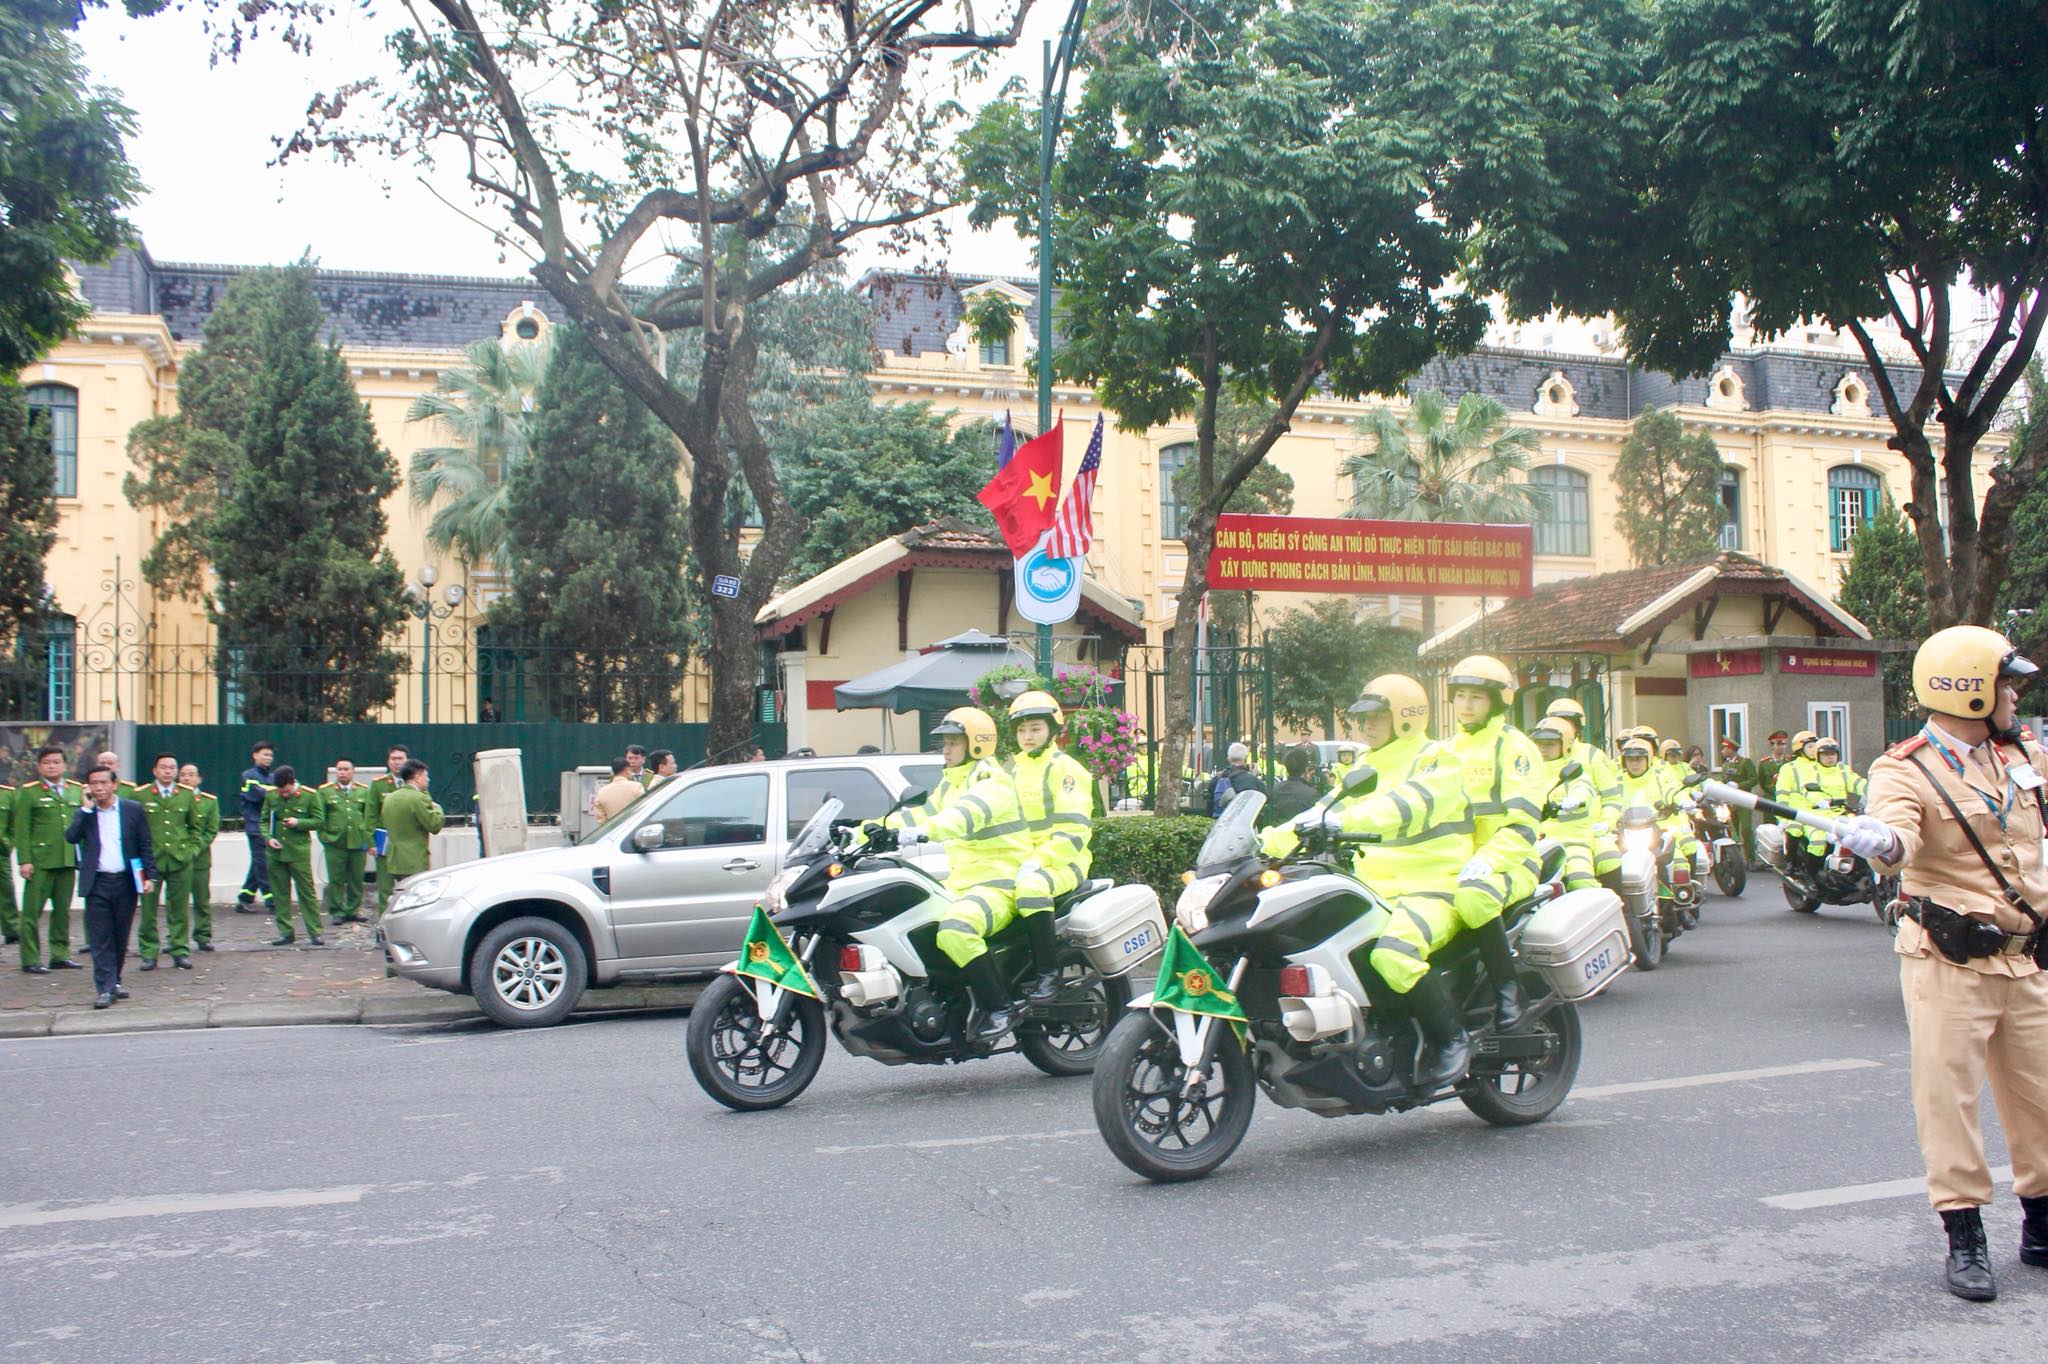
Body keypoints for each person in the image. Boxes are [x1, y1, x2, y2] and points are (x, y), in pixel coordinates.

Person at [1831, 625, 2048, 1302]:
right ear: (1970, 690)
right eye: (2005, 683)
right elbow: (1896, 833)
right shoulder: (1905, 767)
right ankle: (1965, 1236)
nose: (2015, 694)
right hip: (1949, 959)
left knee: (2041, 1098)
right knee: (1949, 1101)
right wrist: (1880, 840)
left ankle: (2040, 1222)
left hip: (2027, 957)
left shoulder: (2021, 750)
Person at [1442, 655, 1545, 1030]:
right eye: (1461, 696)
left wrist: (1490, 858)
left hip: (1508, 863)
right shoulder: (1444, 749)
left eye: (1476, 697)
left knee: (1473, 895)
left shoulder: (1514, 748)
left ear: (1497, 701)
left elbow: (1524, 823)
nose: (1466, 705)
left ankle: (1508, 988)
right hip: (1451, 861)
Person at [1003, 690, 1097, 1008]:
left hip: (1061, 862)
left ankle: (1048, 974)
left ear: (1052, 731)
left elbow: (1073, 831)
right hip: (1017, 862)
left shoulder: (1066, 769)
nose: (1027, 736)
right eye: (1022, 730)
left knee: (1030, 890)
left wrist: (1037, 860)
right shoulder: (1009, 770)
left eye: (1035, 729)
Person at [64, 766, 153, 1010]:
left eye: (103, 782)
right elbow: (71, 837)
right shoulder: (86, 814)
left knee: (120, 936)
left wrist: (149, 877)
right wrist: (84, 809)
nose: (99, 788)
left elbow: (145, 844)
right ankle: (104, 988)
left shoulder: (132, 810)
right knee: (100, 937)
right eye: (93, 783)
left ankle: (115, 981)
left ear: (115, 784)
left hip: (125, 881)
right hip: (97, 883)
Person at [12, 746, 84, 975]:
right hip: (40, 860)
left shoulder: (74, 790)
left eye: (56, 762)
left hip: (66, 858)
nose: (52, 766)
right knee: (32, 912)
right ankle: (30, 958)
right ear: (39, 766)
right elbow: (22, 829)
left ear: (64, 765)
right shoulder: (29, 792)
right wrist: (24, 860)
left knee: (62, 911)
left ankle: (60, 954)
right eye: (47, 763)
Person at [128, 753, 200, 971]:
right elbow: (132, 829)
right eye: (164, 767)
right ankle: (149, 952)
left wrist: (191, 850)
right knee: (148, 910)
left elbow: (195, 827)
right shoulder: (140, 795)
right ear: (155, 771)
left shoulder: (186, 795)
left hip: (179, 860)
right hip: (148, 862)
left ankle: (179, 950)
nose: (168, 771)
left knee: (178, 908)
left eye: (172, 768)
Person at [1531, 717, 1603, 893]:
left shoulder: (1574, 772)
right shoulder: (1527, 773)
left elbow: (1584, 789)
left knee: (1581, 882)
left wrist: (1576, 800)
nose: (1543, 749)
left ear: (1565, 745)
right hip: (1535, 844)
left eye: (1550, 744)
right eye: (1539, 743)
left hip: (1572, 843)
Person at [260, 766, 327, 946]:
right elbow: (264, 820)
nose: (283, 794)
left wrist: (299, 823)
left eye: (286, 790)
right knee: (280, 894)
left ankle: (315, 931)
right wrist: (268, 838)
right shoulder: (272, 795)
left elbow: (319, 820)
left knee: (306, 892)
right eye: (280, 791)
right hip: (276, 852)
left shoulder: (309, 795)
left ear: (293, 783)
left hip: (298, 852)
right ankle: (285, 931)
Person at [1781, 736, 1868, 876]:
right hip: (1817, 815)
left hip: (1840, 813)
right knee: (1817, 840)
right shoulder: (1810, 770)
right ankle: (1811, 877)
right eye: (1826, 754)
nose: (1830, 757)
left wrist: (1876, 789)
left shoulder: (1842, 769)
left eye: (1833, 754)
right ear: (1818, 755)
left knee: (1862, 834)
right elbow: (1808, 790)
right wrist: (1822, 801)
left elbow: (1858, 783)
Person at [320, 759, 377, 924]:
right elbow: (320, 817)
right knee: (336, 879)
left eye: (346, 769)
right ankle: (337, 911)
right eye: (339, 769)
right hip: (335, 843)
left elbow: (368, 817)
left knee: (356, 878)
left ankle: (353, 910)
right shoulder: (325, 792)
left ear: (353, 772)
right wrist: (325, 838)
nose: (342, 772)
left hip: (357, 842)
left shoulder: (362, 791)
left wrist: (369, 842)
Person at [380, 761, 445, 899]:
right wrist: (438, 809)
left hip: (394, 858)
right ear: (417, 777)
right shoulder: (419, 798)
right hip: (414, 859)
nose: (428, 780)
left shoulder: (390, 798)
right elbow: (434, 826)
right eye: (426, 776)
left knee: (401, 896)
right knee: (416, 899)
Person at [179, 763, 221, 952]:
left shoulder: (208, 801)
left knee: (201, 899)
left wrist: (195, 849)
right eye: (183, 775)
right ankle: (176, 938)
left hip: (199, 859)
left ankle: (203, 935)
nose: (186, 778)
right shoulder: (173, 798)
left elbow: (211, 830)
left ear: (199, 779)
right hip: (177, 858)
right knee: (177, 902)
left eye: (191, 775)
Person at [237, 741, 277, 915]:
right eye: (265, 754)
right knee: (263, 864)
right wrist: (276, 791)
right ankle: (272, 900)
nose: (268, 758)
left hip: (269, 826)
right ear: (255, 755)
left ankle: (244, 898)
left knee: (258, 863)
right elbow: (257, 794)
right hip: (255, 825)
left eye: (270, 755)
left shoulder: (273, 776)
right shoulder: (248, 775)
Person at [370, 744, 411, 913]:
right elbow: (370, 815)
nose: (396, 762)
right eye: (393, 759)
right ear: (388, 762)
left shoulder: (413, 783)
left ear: (407, 761)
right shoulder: (378, 785)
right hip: (384, 842)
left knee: (409, 887)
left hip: (408, 845)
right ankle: (383, 924)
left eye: (400, 758)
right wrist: (370, 842)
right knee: (385, 889)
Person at [1717, 736, 1760, 866]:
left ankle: (1750, 859)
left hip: (1743, 801)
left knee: (1746, 830)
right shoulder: (1725, 765)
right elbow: (1723, 780)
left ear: (1731, 749)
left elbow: (1754, 779)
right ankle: (1734, 859)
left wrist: (1738, 785)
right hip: (1731, 803)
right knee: (1731, 831)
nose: (1722, 751)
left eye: (1724, 748)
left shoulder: (1745, 762)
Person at [1263, 746, 1320, 826]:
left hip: (1275, 834)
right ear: (1306, 769)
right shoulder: (1311, 794)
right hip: (1299, 836)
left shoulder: (1274, 789)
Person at [1209, 741, 1265, 816]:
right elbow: (1263, 799)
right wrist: (1254, 777)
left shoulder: (1217, 779)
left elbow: (1210, 801)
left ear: (1228, 758)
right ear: (1246, 757)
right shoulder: (1252, 780)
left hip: (1222, 821)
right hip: (1245, 821)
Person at [0, 769, 16, 949]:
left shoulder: (7, 794)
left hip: (0, 852)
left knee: (6, 890)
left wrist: (8, 844)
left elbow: (14, 824)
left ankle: (11, 929)